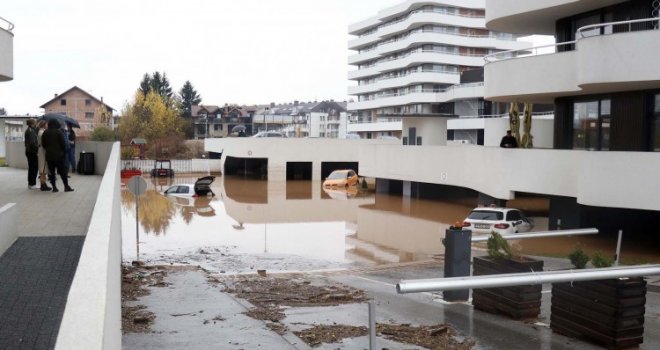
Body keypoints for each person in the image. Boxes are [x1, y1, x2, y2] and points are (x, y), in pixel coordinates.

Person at [41, 119, 74, 192]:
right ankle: (66, 186)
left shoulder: (45, 132)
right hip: (59, 156)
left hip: (49, 156)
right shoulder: (59, 132)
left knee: (51, 173)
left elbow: (43, 145)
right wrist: (63, 152)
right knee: (63, 172)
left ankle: (54, 188)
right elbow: (63, 144)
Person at [36, 120, 52, 191]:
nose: (47, 126)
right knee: (43, 168)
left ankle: (44, 184)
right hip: (42, 151)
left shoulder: (40, 132)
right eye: (46, 125)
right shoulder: (42, 132)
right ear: (44, 125)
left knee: (43, 168)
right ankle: (43, 185)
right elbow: (45, 142)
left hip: (41, 150)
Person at [24, 119, 39, 189]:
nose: (36, 123)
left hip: (29, 151)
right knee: (34, 168)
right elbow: (32, 143)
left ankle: (31, 184)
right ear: (32, 123)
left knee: (31, 168)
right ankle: (32, 184)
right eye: (35, 122)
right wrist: (38, 148)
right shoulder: (31, 131)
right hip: (32, 152)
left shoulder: (30, 130)